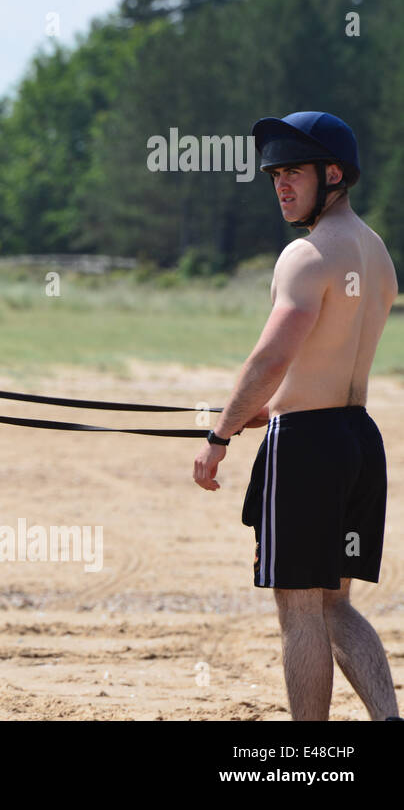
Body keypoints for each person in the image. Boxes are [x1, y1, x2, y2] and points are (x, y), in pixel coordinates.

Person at [192, 111, 400, 720]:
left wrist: (220, 432)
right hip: (358, 437)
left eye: (294, 173)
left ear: (333, 174)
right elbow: (324, 359)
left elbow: (276, 351)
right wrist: (268, 407)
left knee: (300, 608)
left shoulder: (306, 254)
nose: (281, 185)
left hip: (308, 447)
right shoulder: (377, 254)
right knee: (334, 603)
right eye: (275, 174)